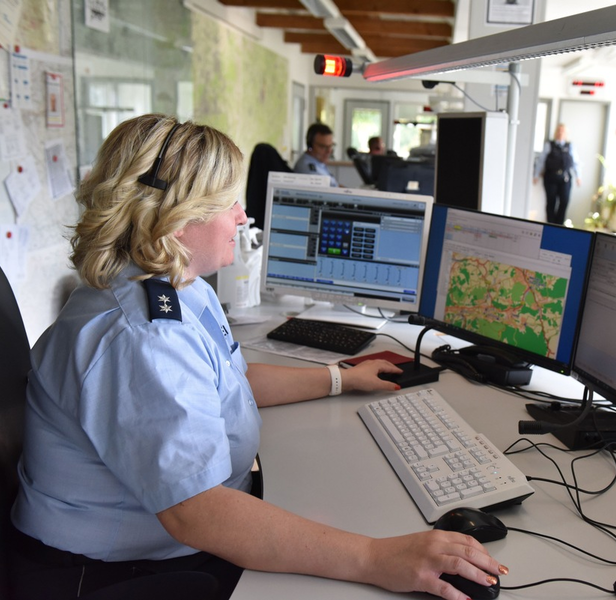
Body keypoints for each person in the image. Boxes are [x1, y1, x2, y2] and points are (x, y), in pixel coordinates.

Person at [9, 114, 507, 600]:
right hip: (106, 572)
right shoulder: (141, 337)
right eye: (228, 201)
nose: (243, 216)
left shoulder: (172, 283)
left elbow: (231, 380)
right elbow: (198, 513)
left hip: (177, 530)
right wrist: (376, 559)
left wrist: (340, 379)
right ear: (177, 220)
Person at [534, 123, 581, 225]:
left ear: (566, 133)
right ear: (556, 132)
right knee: (551, 202)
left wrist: (578, 177)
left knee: (564, 201)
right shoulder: (549, 145)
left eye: (562, 131)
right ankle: (550, 224)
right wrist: (536, 175)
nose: (560, 133)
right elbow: (541, 160)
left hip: (565, 178)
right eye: (559, 131)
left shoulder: (570, 146)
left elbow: (575, 162)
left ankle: (559, 225)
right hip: (551, 177)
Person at [293, 122, 339, 186]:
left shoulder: (318, 162)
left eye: (331, 146)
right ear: (310, 146)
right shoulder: (307, 169)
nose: (329, 151)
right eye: (323, 147)